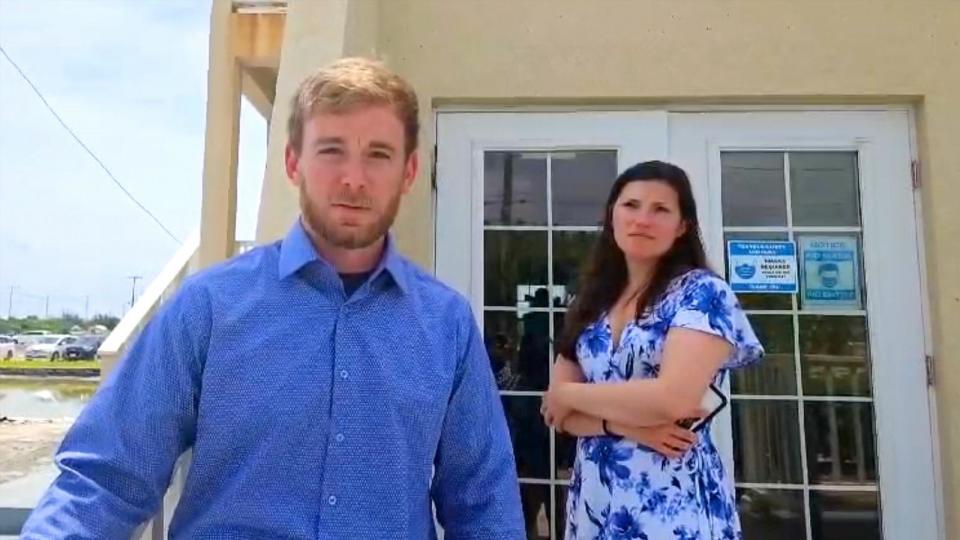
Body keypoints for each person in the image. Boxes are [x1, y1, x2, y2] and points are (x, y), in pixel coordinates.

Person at [21, 57, 524, 539]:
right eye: (331, 150)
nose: (354, 178)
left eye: (378, 154)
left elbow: (484, 506)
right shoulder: (209, 308)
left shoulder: (446, 325)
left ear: (409, 171)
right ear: (292, 162)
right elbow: (107, 477)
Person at [541, 161, 764, 539]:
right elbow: (557, 415)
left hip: (671, 497)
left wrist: (568, 393)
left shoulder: (701, 294)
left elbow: (673, 399)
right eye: (631, 205)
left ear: (682, 226)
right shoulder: (589, 302)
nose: (642, 219)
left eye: (660, 209)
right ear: (611, 214)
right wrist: (626, 425)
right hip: (595, 499)